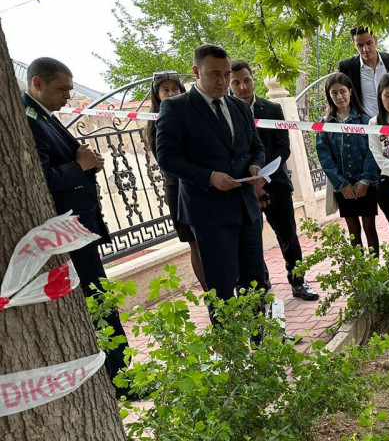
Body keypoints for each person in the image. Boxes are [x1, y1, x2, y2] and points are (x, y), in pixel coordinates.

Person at [22, 57, 130, 391]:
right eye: (62, 89)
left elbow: (67, 160)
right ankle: (123, 380)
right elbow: (37, 178)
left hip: (78, 227)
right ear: (38, 83)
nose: (69, 96)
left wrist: (87, 163)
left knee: (99, 300)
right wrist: (80, 166)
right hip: (66, 232)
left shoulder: (44, 116)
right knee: (99, 301)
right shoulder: (29, 119)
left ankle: (118, 375)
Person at [156, 44, 270, 317]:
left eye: (226, 74)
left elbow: (256, 148)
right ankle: (231, 353)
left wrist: (256, 166)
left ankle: (261, 343)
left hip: (246, 208)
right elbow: (167, 158)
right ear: (197, 72)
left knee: (255, 282)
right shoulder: (176, 108)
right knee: (220, 287)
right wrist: (209, 177)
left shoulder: (239, 107)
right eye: (214, 74)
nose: (222, 81)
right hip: (208, 212)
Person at [229, 59, 319, 301]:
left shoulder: (271, 109)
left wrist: (264, 177)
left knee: (288, 235)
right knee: (251, 242)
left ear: (253, 79)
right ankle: (262, 282)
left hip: (275, 184)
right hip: (244, 190)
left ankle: (298, 281)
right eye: (236, 82)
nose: (243, 87)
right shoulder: (225, 113)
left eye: (246, 80)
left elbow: (283, 148)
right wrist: (250, 180)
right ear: (229, 83)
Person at [144, 71, 206, 291]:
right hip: (178, 189)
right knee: (195, 244)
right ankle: (211, 295)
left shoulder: (193, 115)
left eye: (174, 89)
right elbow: (167, 160)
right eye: (165, 90)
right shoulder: (154, 123)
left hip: (202, 186)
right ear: (157, 95)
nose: (170, 94)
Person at [315, 72, 380, 256]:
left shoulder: (365, 120)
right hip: (343, 187)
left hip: (365, 185)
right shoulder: (325, 125)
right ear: (329, 96)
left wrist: (365, 180)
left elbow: (373, 151)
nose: (339, 97)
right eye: (334, 93)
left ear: (350, 92)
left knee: (369, 227)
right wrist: (341, 185)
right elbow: (325, 158)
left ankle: (374, 268)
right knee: (353, 231)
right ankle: (360, 271)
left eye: (342, 91)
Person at [338, 26, 389, 119]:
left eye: (369, 43)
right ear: (354, 44)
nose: (365, 49)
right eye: (360, 45)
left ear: (376, 40)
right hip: (365, 125)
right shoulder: (347, 67)